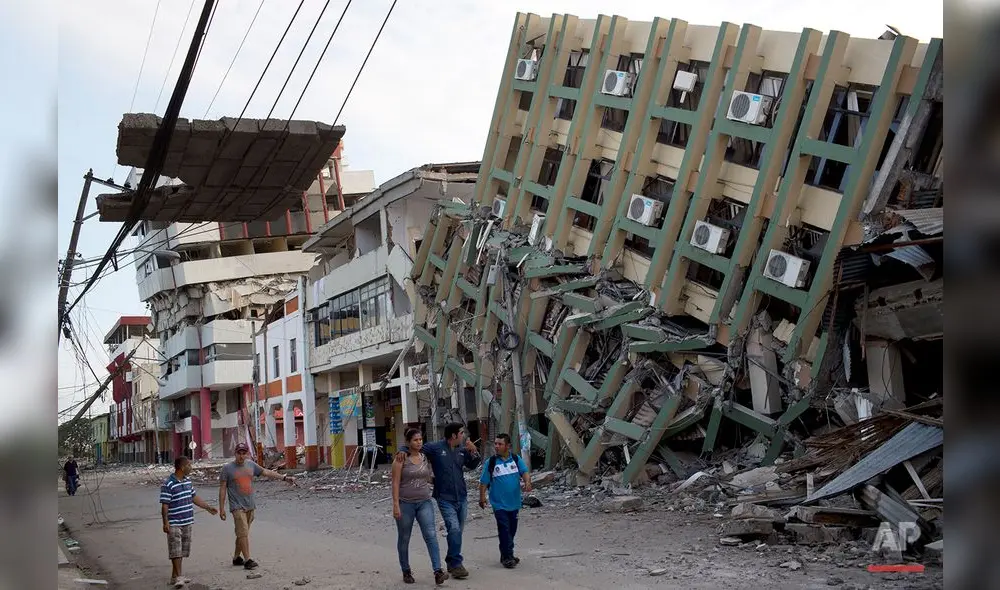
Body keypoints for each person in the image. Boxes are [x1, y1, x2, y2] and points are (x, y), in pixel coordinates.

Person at [395, 422, 481, 579]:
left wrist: (474, 452)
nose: (464, 436)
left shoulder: (462, 450)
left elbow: (473, 464)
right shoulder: (435, 448)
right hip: (443, 497)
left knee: (454, 531)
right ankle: (453, 564)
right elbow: (415, 448)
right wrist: (401, 449)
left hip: (461, 496)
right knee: (452, 529)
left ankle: (447, 563)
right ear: (454, 435)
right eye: (461, 433)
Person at [218, 442, 296, 570]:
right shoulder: (227, 469)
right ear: (235, 453)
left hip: (250, 505)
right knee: (242, 532)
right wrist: (221, 508)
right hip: (237, 507)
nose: (241, 456)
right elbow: (222, 489)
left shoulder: (251, 465)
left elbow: (266, 472)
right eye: (239, 453)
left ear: (247, 454)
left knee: (243, 533)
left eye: (244, 453)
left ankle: (237, 557)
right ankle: (248, 560)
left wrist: (284, 478)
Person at [391, 428, 448, 585]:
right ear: (408, 442)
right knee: (404, 537)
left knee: (430, 535)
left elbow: (428, 477)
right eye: (415, 440)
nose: (419, 442)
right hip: (405, 503)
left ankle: (438, 571)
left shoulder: (424, 457)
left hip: (424, 501)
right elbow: (395, 483)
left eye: (420, 439)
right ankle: (406, 570)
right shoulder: (400, 459)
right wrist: (396, 505)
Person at [160, 456, 218, 588]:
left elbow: (194, 497)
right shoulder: (168, 483)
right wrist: (165, 522)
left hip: (187, 520)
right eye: (189, 465)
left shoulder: (187, 482)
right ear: (182, 467)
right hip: (174, 521)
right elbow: (164, 505)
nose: (191, 468)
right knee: (176, 550)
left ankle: (174, 576)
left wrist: (208, 507)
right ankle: (179, 577)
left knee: (182, 550)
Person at [478, 433, 532, 568]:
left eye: (500, 444)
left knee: (512, 529)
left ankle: (507, 553)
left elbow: (524, 472)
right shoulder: (491, 463)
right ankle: (507, 557)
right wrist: (482, 497)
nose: (496, 446)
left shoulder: (515, 459)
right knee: (504, 528)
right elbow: (483, 482)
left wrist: (527, 481)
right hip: (499, 504)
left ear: (508, 446)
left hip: (514, 503)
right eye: (495, 443)